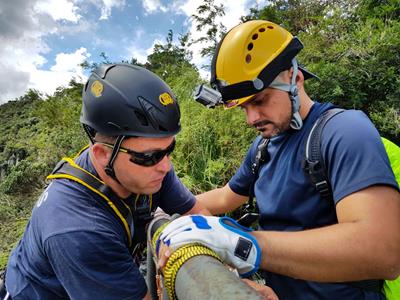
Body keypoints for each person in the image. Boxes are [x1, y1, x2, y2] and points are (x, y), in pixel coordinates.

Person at [157, 20, 400, 299]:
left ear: (294, 79)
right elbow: (225, 198)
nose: (251, 118)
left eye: (259, 100)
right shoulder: (263, 147)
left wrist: (240, 242)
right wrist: (166, 209)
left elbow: (381, 251)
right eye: (244, 107)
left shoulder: (345, 131)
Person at [3, 63, 211, 300]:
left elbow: (196, 213)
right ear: (102, 154)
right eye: (150, 156)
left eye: (169, 149)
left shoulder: (146, 166)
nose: (165, 165)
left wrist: (189, 245)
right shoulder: (78, 229)